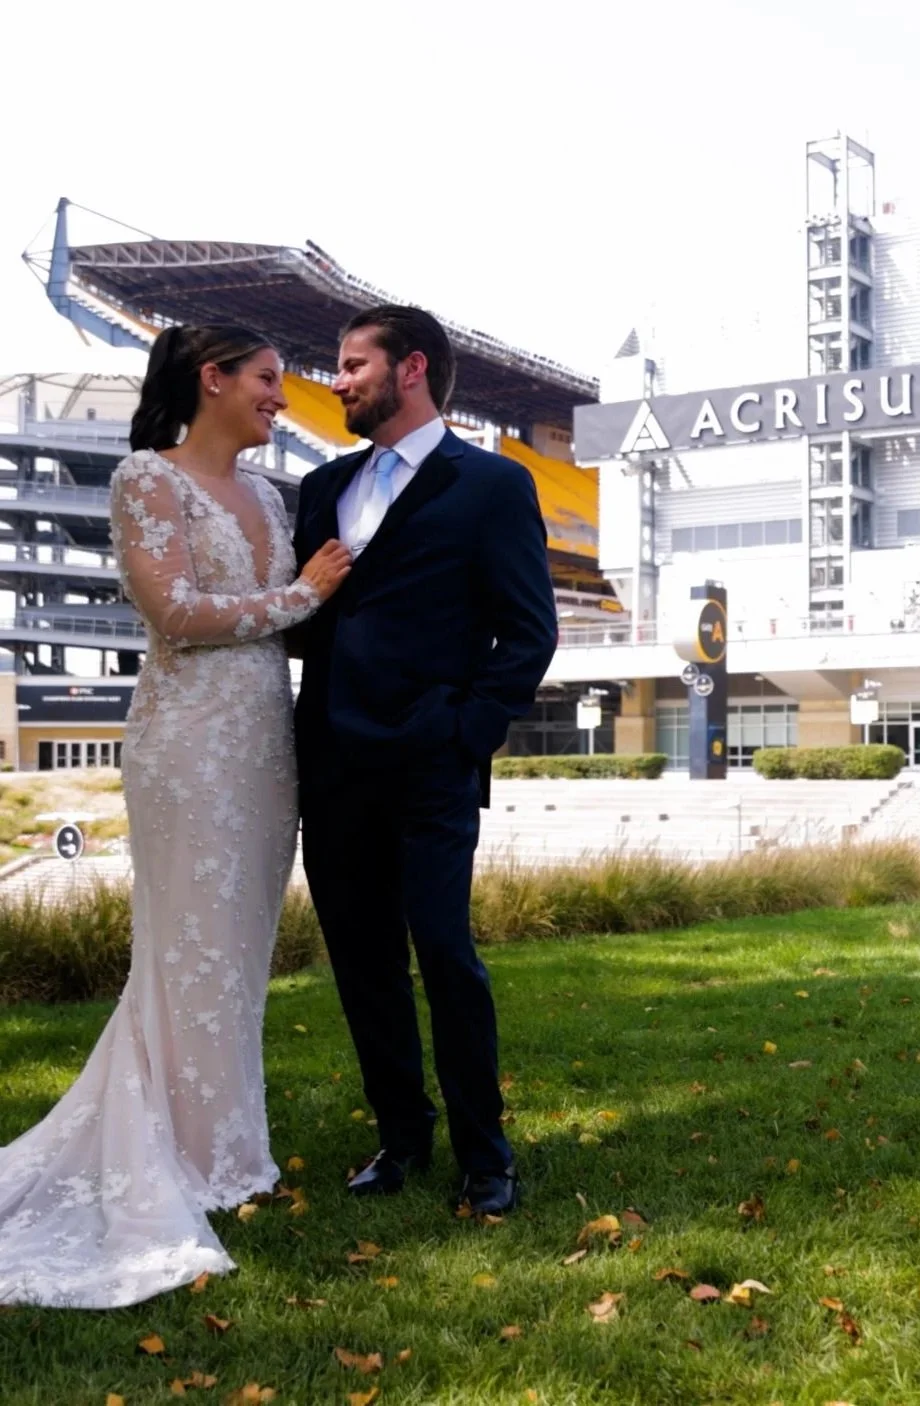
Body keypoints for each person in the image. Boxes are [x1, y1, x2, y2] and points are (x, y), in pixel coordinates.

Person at [0, 325, 351, 1308]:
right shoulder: (146, 480)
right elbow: (174, 611)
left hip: (262, 750)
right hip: (185, 748)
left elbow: (279, 614)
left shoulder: (275, 497)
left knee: (235, 958)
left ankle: (229, 1151)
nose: (283, 398)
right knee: (182, 948)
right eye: (269, 380)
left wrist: (304, 594)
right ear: (214, 379)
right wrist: (302, 590)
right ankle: (182, 1158)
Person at [293, 305, 557, 1216]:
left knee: (445, 954)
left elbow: (528, 633)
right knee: (362, 962)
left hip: (431, 765)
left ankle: (488, 1154)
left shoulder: (490, 485)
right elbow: (307, 622)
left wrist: (464, 731)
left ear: (410, 369)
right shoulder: (322, 486)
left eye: (351, 362)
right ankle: (401, 1135)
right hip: (330, 765)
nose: (337, 380)